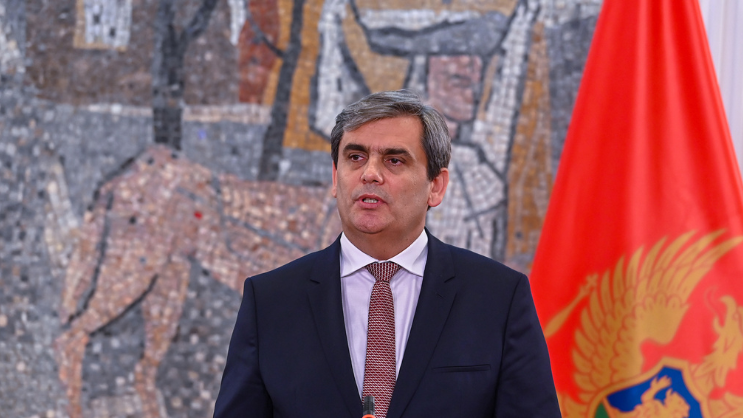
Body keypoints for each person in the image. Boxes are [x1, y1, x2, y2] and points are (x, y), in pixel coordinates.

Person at [213, 90, 560, 418]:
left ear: (436, 186)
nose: (370, 174)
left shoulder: (499, 297)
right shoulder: (270, 300)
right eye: (355, 157)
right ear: (335, 177)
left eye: (394, 160)